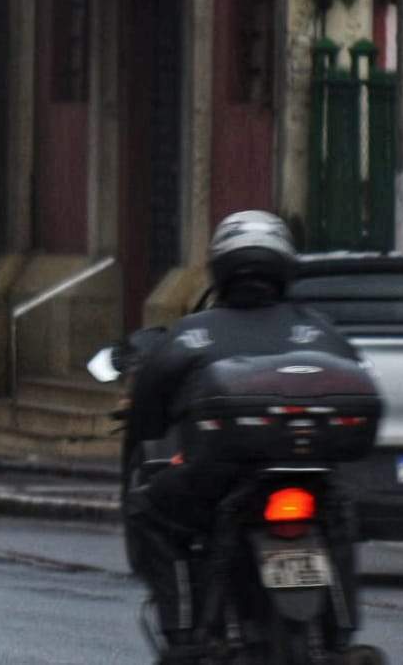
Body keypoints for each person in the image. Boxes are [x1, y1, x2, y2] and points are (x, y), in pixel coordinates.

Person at [123, 210, 366, 656]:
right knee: (340, 517)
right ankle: (343, 635)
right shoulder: (321, 331)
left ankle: (181, 637)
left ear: (220, 268)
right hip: (311, 474)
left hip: (219, 480)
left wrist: (149, 430)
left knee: (150, 512)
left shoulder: (192, 333)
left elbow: (148, 414)